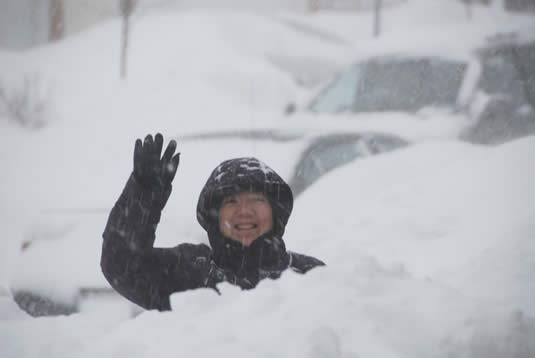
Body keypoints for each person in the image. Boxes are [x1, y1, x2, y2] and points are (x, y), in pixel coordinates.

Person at [101, 133, 325, 311]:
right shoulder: (188, 272)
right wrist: (143, 195)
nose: (244, 211)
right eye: (232, 202)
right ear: (214, 216)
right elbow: (121, 265)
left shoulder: (309, 276)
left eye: (256, 200)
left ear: (276, 212)